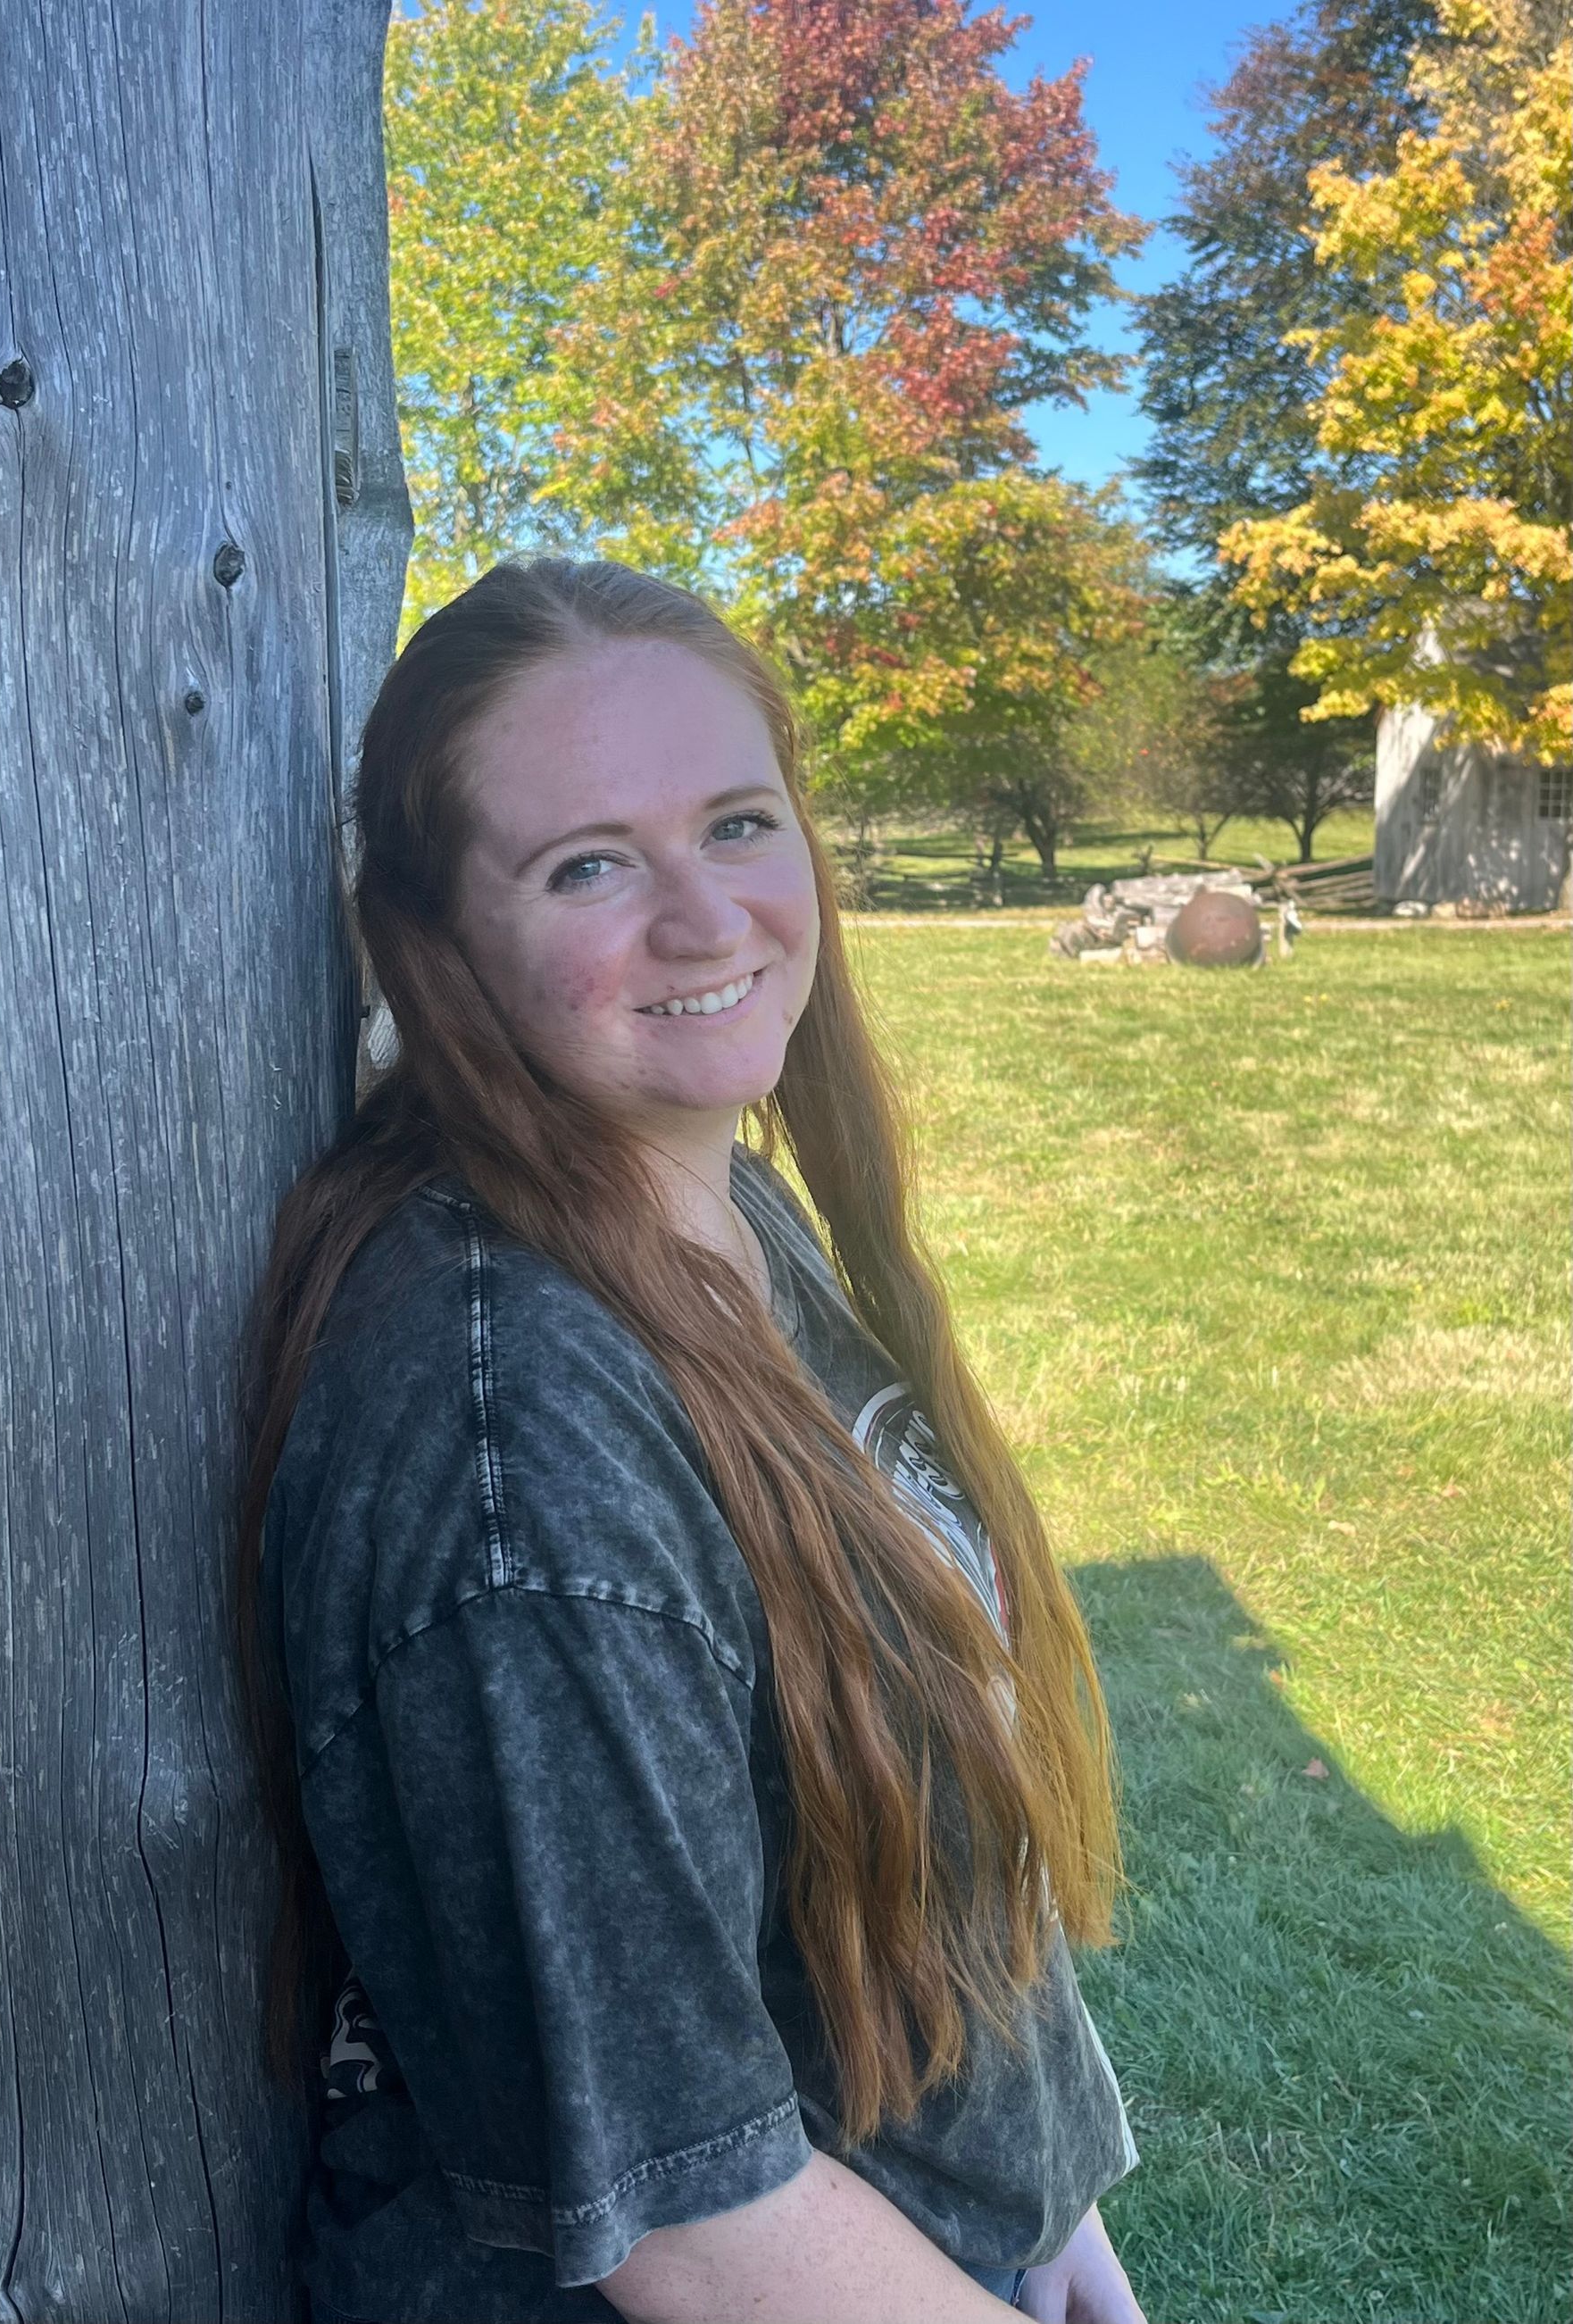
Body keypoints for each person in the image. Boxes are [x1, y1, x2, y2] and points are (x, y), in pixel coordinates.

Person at [237, 558, 1147, 2324]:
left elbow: (904, 1828)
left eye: (738, 821)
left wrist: (1055, 2227)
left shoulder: (721, 1205)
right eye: (587, 864)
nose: (705, 916)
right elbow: (695, 2229)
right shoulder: (513, 1441)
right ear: (430, 944)